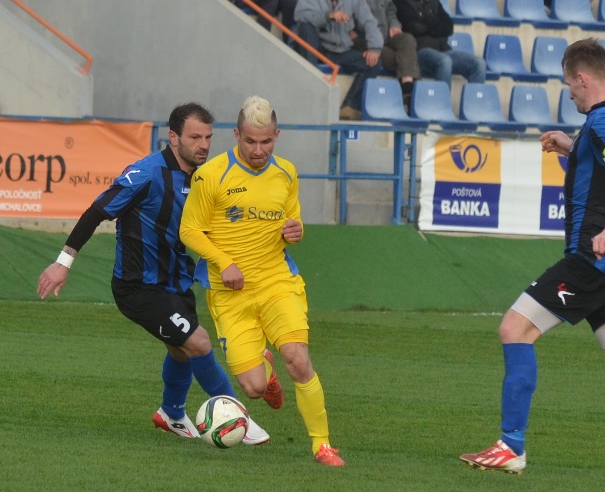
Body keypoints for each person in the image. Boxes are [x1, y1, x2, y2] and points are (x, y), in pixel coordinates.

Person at [461, 38, 605, 474]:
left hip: (591, 261)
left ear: (583, 78)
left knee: (515, 328)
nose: (569, 93)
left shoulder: (604, 123)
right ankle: (510, 446)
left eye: (569, 84)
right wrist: (572, 147)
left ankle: (511, 446)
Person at [37, 103, 272, 445]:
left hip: (177, 284)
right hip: (139, 287)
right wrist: (63, 262)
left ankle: (171, 413)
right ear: (173, 137)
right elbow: (96, 211)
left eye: (208, 137)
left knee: (181, 350)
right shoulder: (146, 174)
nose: (203, 145)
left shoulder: (205, 177)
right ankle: (239, 419)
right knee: (198, 342)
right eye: (195, 137)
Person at [179, 96, 345, 467]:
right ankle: (265, 372)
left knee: (298, 359)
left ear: (277, 136)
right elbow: (189, 230)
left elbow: (291, 222)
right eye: (250, 141)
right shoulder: (211, 175)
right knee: (253, 389)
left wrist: (295, 231)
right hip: (230, 292)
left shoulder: (286, 173)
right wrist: (224, 262)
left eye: (266, 142)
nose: (258, 150)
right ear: (236, 135)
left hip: (276, 282)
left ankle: (322, 445)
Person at [294, 0, 383, 121]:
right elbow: (301, 16)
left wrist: (375, 48)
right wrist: (328, 16)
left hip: (342, 49)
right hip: (319, 48)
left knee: (374, 63)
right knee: (306, 27)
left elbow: (369, 22)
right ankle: (313, 90)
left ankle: (349, 106)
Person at [392, 0, 486, 87]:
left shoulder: (434, 2)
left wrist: (426, 26)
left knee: (479, 64)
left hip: (444, 49)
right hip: (420, 51)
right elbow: (414, 27)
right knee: (444, 61)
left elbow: (449, 27)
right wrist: (436, 24)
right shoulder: (400, 2)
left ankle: (474, 99)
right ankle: (443, 99)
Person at [356, 0, 419, 112]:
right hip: (368, 41)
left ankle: (407, 84)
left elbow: (391, 12)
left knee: (408, 39)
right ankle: (409, 93)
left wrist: (394, 25)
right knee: (402, 58)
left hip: (386, 35)